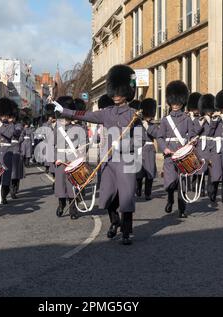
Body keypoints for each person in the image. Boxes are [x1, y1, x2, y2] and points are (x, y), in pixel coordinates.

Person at [54, 64, 145, 245]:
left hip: (126, 160)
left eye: (120, 91)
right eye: (115, 91)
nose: (117, 95)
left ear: (127, 92)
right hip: (108, 161)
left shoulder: (134, 115)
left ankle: (126, 232)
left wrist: (126, 144)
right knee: (108, 195)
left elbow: (141, 139)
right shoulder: (106, 113)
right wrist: (63, 111)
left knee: (126, 197)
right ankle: (114, 222)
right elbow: (83, 115)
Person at [157, 81, 193, 219]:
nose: (176, 104)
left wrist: (191, 142)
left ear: (182, 102)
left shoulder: (187, 119)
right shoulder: (165, 120)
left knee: (182, 183)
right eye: (173, 102)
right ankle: (170, 199)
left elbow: (192, 134)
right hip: (170, 154)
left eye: (178, 102)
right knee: (171, 182)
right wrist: (164, 148)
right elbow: (160, 136)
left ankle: (182, 209)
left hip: (183, 154)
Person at [54, 96, 81, 220]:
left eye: (66, 117)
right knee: (60, 185)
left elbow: (82, 146)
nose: (64, 120)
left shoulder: (78, 129)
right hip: (60, 159)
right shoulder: (57, 128)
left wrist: (79, 158)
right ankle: (61, 204)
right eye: (62, 117)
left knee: (72, 186)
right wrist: (55, 159)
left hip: (72, 159)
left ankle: (73, 208)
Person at [0, 98, 18, 205]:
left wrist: (0, 126)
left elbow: (8, 135)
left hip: (8, 152)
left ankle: (4, 196)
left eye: (5, 116)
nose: (4, 118)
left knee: (6, 177)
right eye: (2, 116)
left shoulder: (11, 126)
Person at [136, 98, 159, 201]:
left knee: (149, 173)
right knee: (139, 173)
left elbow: (157, 134)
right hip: (139, 149)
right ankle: (138, 190)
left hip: (149, 150)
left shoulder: (153, 125)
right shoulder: (137, 123)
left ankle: (148, 193)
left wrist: (148, 127)